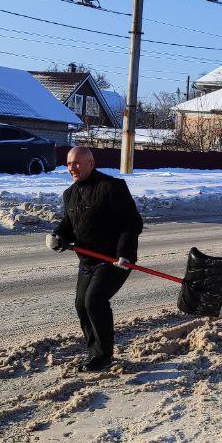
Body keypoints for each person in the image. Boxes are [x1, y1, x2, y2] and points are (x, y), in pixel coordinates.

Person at [46, 146, 144, 372]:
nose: (72, 168)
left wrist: (124, 253)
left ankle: (102, 356)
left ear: (91, 163)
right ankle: (94, 351)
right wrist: (58, 236)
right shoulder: (70, 194)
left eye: (77, 163)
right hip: (88, 261)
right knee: (81, 305)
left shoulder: (111, 187)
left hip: (113, 260)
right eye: (69, 164)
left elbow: (132, 224)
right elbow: (69, 224)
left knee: (95, 301)